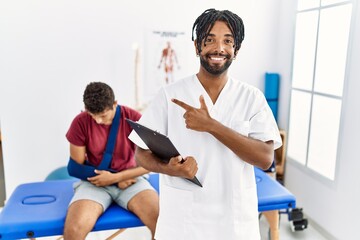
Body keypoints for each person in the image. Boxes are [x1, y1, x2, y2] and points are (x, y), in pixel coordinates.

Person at [129, 8, 282, 240]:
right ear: (197, 46)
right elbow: (140, 153)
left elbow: (265, 158)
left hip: (234, 222)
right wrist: (168, 168)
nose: (218, 48)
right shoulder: (170, 95)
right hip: (183, 222)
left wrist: (212, 125)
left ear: (236, 50)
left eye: (227, 41)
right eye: (209, 40)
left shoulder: (252, 98)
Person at [64, 82, 159, 240]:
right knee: (74, 230)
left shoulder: (134, 119)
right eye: (93, 116)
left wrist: (117, 178)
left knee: (162, 222)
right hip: (95, 182)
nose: (98, 121)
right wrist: (114, 180)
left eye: (103, 115)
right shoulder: (80, 122)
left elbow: (152, 163)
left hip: (131, 180)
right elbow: (75, 168)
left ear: (115, 104)